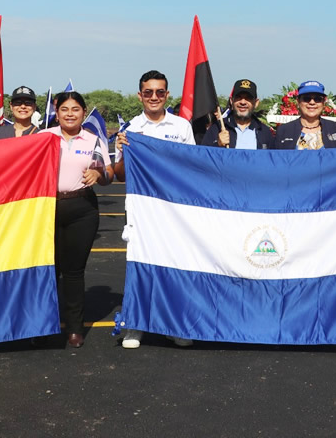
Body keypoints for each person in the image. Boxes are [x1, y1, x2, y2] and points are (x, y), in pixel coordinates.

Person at [114, 70, 195, 349]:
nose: (154, 97)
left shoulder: (182, 126)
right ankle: (135, 325)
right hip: (141, 209)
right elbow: (120, 174)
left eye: (159, 92)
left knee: (176, 265)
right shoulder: (131, 129)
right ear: (140, 95)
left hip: (174, 209)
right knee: (140, 264)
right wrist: (123, 151)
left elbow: (193, 167)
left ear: (167, 95)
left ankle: (175, 324)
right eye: (148, 92)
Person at [46, 91, 112, 348]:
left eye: (75, 109)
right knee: (48, 270)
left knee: (73, 272)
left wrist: (99, 175)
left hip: (82, 208)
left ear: (83, 112)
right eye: (65, 109)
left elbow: (108, 174)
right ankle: (44, 325)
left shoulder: (94, 140)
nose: (70, 113)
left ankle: (75, 328)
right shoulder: (43, 137)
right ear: (57, 112)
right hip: (46, 208)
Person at [274, 80, 336, 149]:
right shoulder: (283, 131)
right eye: (306, 98)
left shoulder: (334, 129)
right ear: (298, 102)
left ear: (323, 103)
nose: (312, 102)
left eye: (317, 99)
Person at [201, 79, 276, 149]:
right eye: (238, 98)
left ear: (256, 103)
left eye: (248, 98)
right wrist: (218, 144)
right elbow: (203, 157)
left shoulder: (265, 132)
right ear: (231, 101)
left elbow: (272, 160)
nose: (243, 102)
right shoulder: (217, 128)